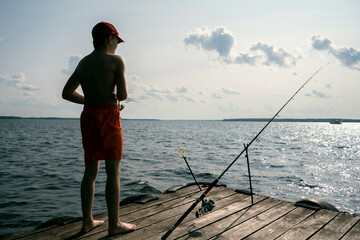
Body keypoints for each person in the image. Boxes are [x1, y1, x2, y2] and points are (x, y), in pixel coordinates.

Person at [62, 21, 136, 236]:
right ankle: (114, 225)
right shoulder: (116, 60)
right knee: (113, 172)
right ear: (109, 38)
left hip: (89, 116)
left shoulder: (83, 64)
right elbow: (122, 95)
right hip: (109, 116)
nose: (118, 45)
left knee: (90, 171)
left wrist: (90, 99)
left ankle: (87, 222)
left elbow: (67, 93)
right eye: (117, 40)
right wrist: (111, 98)